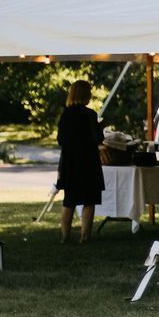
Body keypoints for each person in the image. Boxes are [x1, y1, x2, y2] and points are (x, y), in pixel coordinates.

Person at [55, 79, 104, 243]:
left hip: (69, 162)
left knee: (69, 200)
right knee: (89, 200)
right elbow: (97, 138)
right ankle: (85, 236)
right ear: (86, 94)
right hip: (88, 162)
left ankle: (65, 236)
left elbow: (60, 139)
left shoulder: (65, 114)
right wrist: (100, 126)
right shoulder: (90, 114)